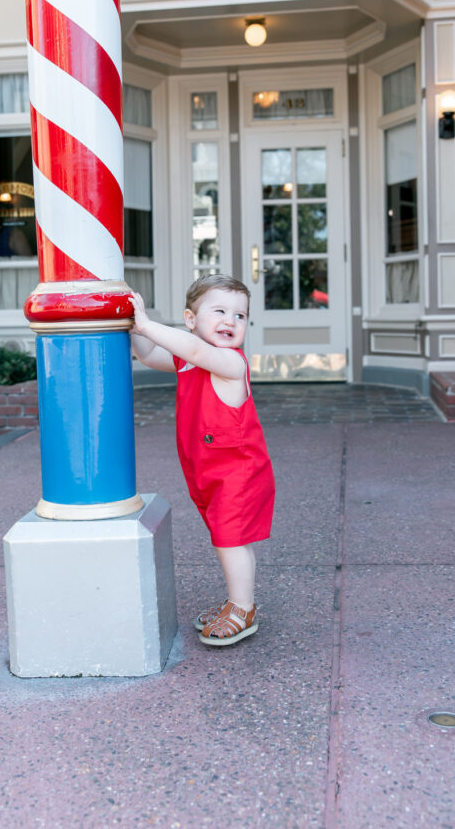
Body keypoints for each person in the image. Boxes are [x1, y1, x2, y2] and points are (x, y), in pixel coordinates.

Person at [129, 274, 275, 647]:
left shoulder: (229, 363)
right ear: (191, 320)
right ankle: (235, 601)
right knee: (223, 538)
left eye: (240, 316)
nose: (231, 320)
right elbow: (148, 354)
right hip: (207, 470)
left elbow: (194, 351)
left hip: (238, 473)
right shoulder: (187, 362)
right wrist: (132, 327)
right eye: (220, 311)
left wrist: (148, 323)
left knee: (231, 539)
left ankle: (243, 609)